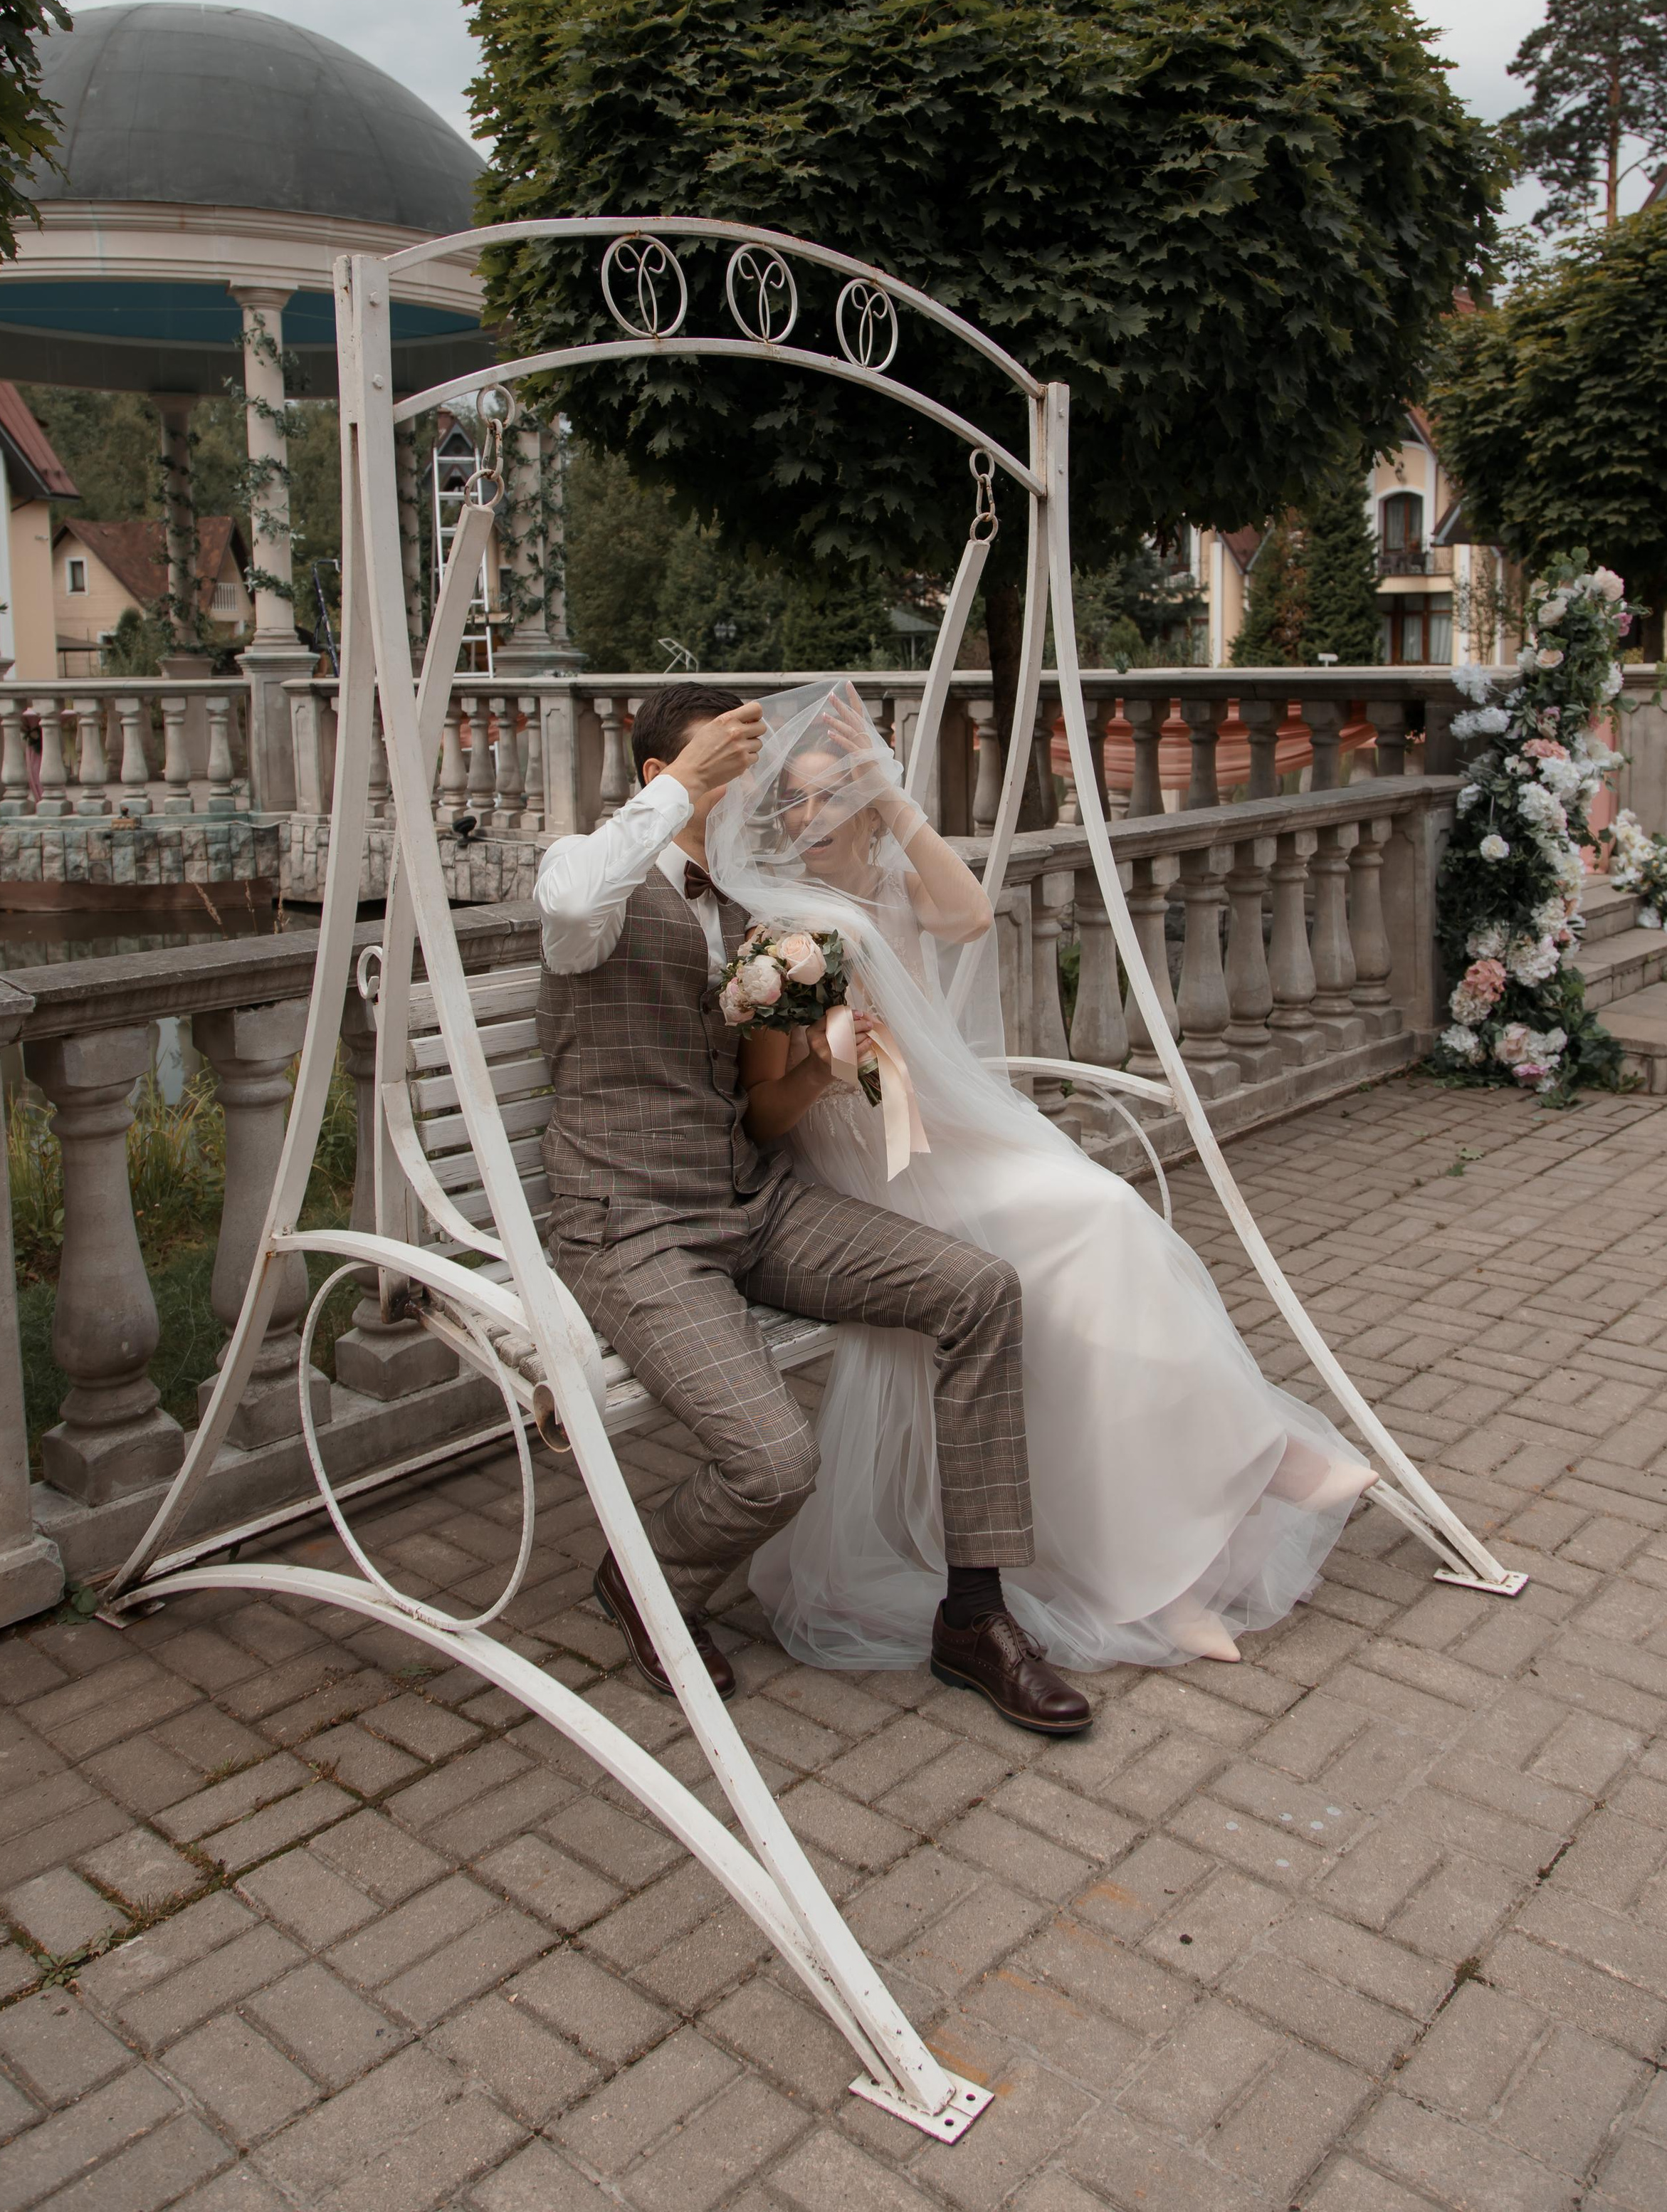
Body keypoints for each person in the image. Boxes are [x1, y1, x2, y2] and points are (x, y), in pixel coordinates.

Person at [700, 679, 1378, 1672]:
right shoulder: (781, 930)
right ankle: (1252, 1478)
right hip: (872, 1174)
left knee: (1098, 1278)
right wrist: (818, 1063)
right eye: (793, 802)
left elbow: (970, 916)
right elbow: (770, 1113)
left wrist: (892, 797)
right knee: (1091, 1230)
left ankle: (1179, 1566)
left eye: (828, 795)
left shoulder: (885, 886)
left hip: (952, 1144)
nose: (810, 818)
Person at [532, 682, 1092, 1734]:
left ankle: (974, 1617)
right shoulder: (592, 888)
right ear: (661, 777)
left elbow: (771, 1095)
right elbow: (567, 904)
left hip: (757, 1201)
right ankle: (647, 1576)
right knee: (775, 1463)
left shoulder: (757, 905)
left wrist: (829, 1074)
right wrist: (675, 792)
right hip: (633, 1227)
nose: (742, 785)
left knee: (978, 1291)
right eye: (721, 766)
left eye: (745, 767)